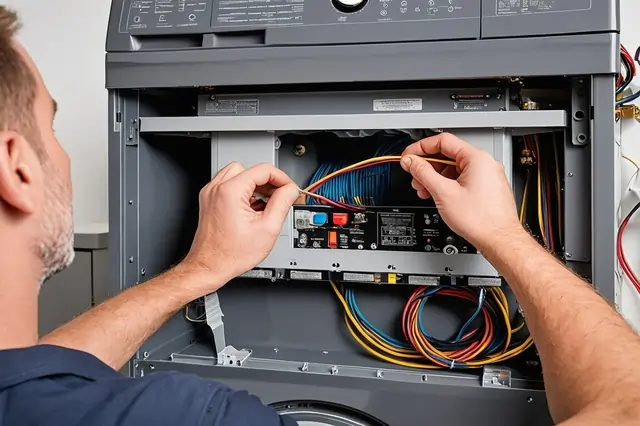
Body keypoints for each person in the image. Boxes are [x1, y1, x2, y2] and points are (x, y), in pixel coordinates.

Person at [0, 6, 639, 426]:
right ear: (17, 167)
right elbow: (627, 403)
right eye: (50, 127)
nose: (63, 151)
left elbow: (43, 371)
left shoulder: (29, 395)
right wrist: (503, 235)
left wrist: (199, 271)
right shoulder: (192, 414)